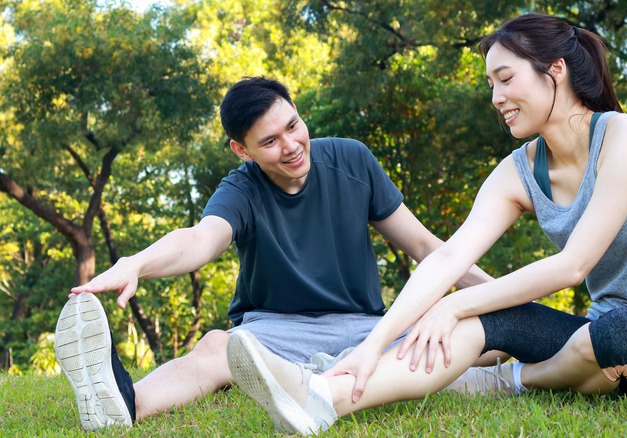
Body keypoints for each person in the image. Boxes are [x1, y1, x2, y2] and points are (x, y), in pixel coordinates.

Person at [224, 13, 627, 436]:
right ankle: (322, 397)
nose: (496, 97)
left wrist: (452, 302)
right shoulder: (519, 170)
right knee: (495, 319)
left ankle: (513, 379)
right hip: (605, 338)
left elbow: (573, 264)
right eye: (491, 83)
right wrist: (372, 345)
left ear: (554, 70)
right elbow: (447, 256)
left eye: (506, 79)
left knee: (614, 331)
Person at [53, 76, 495, 430]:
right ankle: (124, 404)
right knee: (216, 349)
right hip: (275, 332)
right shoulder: (241, 189)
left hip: (366, 326)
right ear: (241, 150)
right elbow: (200, 239)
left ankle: (337, 371)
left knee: (480, 339)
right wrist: (136, 264)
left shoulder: (352, 160)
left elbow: (426, 247)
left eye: (293, 125)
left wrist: (506, 296)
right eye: (269, 142)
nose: (291, 145)